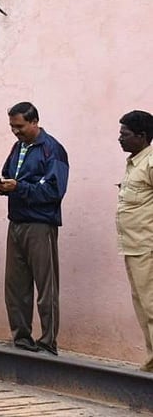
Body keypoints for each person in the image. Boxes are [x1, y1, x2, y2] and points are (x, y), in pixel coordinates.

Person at [0, 101, 69, 355]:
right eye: (12, 126)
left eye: (20, 126)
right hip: (16, 222)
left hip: (40, 224)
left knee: (46, 287)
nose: (15, 131)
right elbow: (8, 173)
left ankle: (48, 342)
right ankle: (22, 339)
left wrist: (19, 188)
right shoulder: (18, 147)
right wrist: (3, 186)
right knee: (15, 286)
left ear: (35, 122)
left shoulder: (53, 150)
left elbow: (55, 190)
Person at [115, 109, 153, 372]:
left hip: (147, 246)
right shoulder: (134, 163)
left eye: (125, 134)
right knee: (143, 307)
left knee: (151, 306)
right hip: (132, 246)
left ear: (141, 136)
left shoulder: (150, 163)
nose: (120, 139)